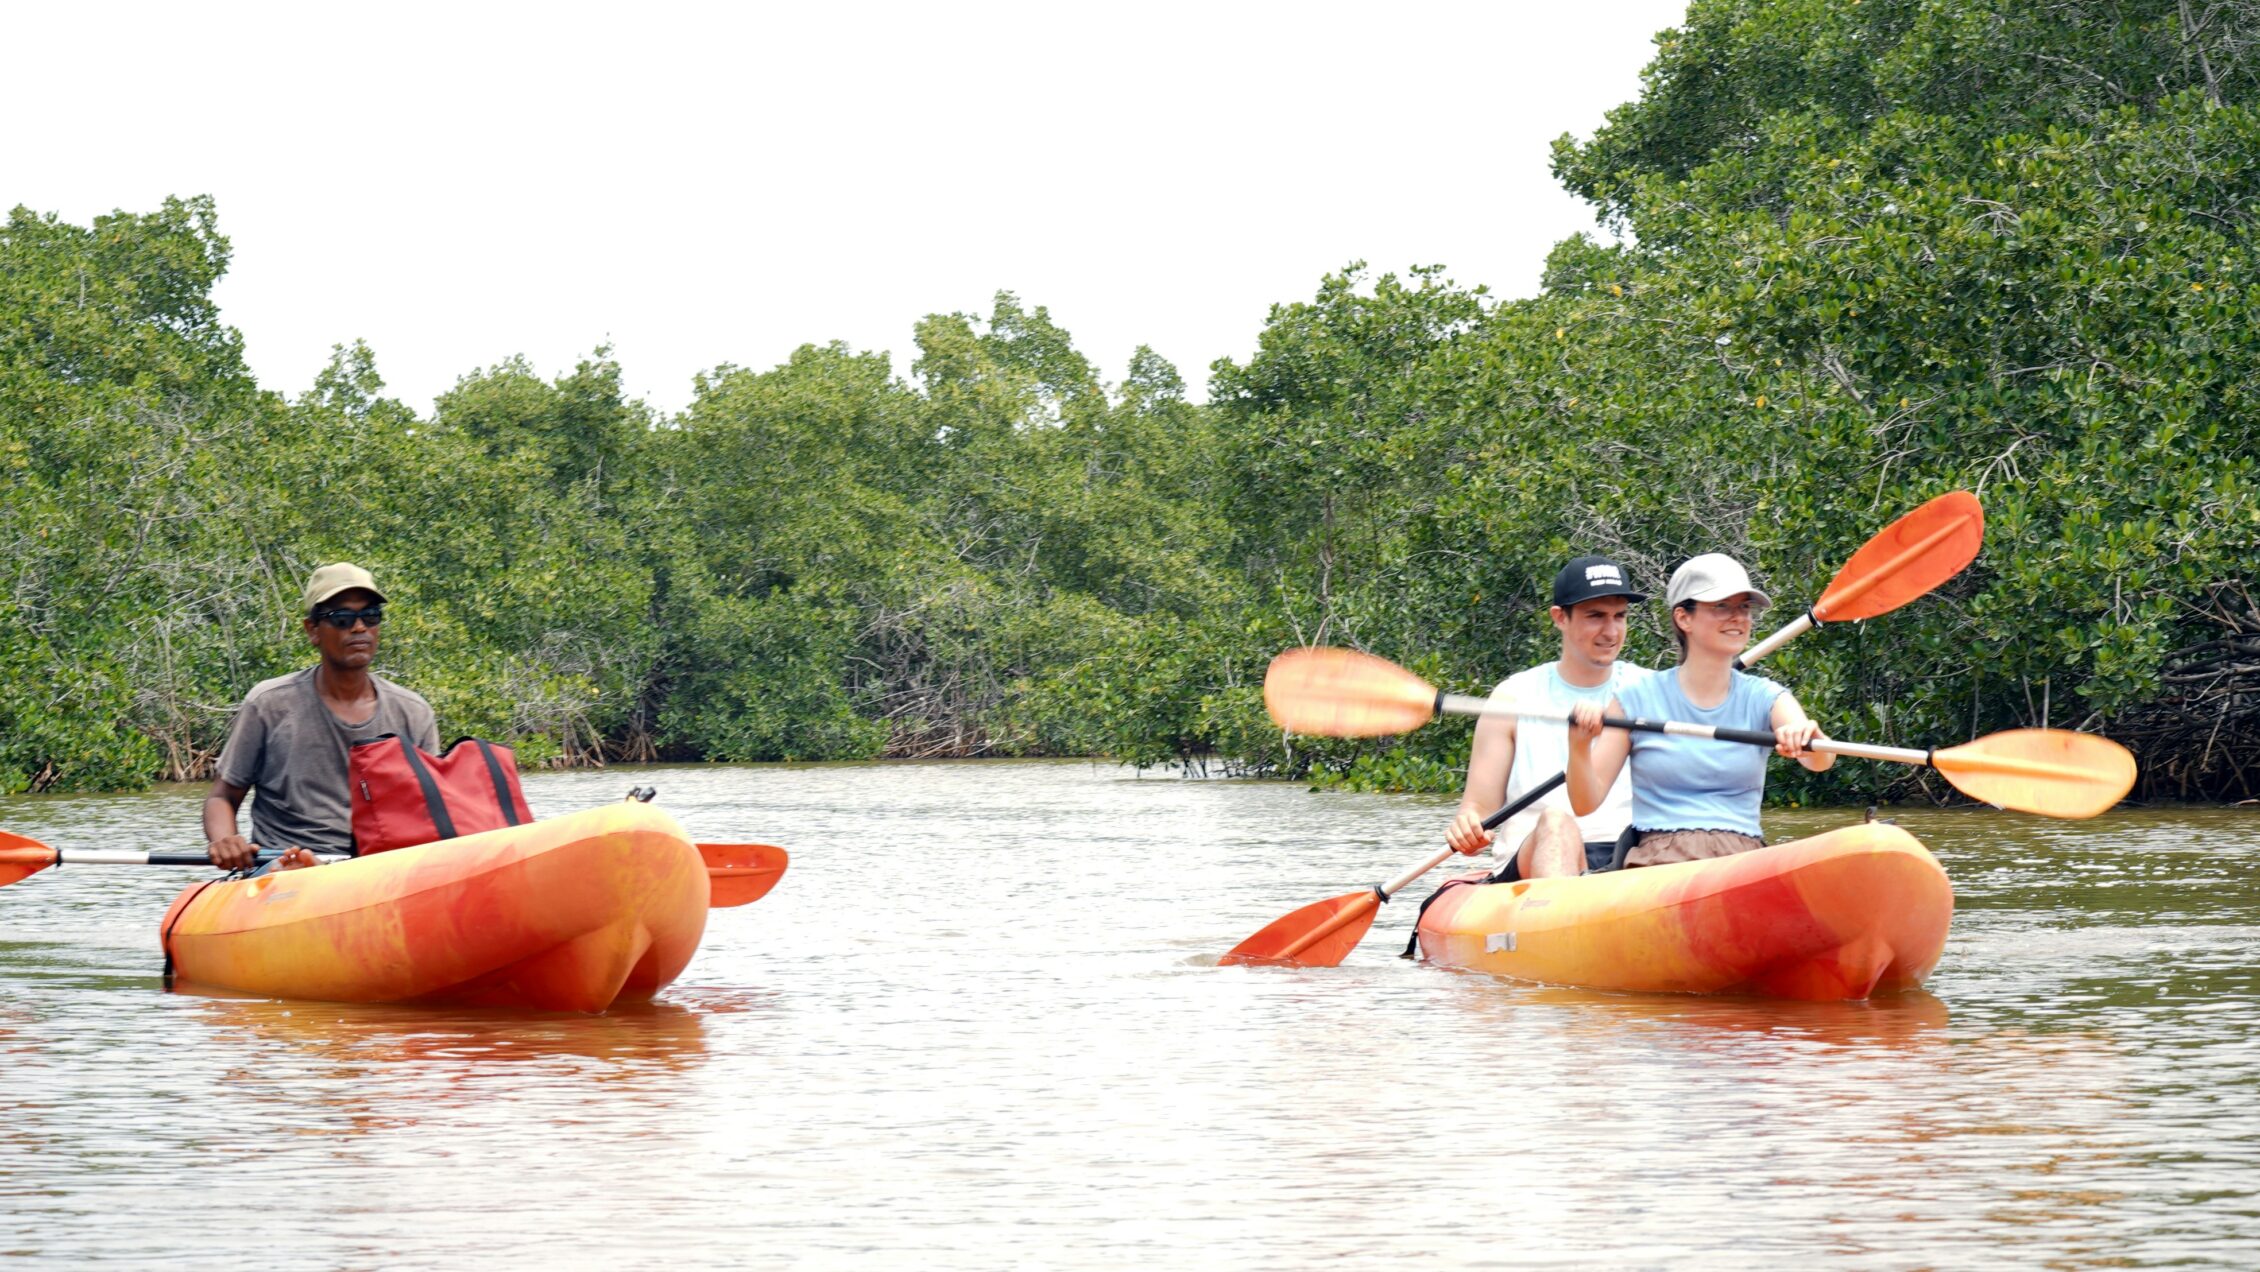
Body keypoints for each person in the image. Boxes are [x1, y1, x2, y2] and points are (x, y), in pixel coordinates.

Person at [1565, 553, 1831, 868]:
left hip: (1742, 856)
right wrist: (1579, 744)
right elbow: (1585, 803)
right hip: (1660, 857)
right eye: (1721, 606)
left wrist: (1808, 738)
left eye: (1744, 607)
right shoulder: (1634, 698)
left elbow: (1821, 760)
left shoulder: (1767, 696)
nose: (1738, 617)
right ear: (1684, 617)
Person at [202, 563, 438, 872]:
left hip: (375, 869)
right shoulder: (269, 704)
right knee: (294, 869)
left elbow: (433, 813)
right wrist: (226, 840)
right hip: (281, 863)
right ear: (312, 631)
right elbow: (221, 798)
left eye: (370, 617)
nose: (359, 628)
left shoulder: (413, 712)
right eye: (342, 619)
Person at [1445, 556, 1653, 880]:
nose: (1610, 631)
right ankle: (1561, 922)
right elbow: (1478, 809)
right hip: (1535, 856)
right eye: (1595, 616)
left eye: (1619, 616)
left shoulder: (1650, 691)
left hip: (1626, 858)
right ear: (1560, 618)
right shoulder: (1512, 697)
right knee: (1556, 823)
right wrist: (1468, 827)